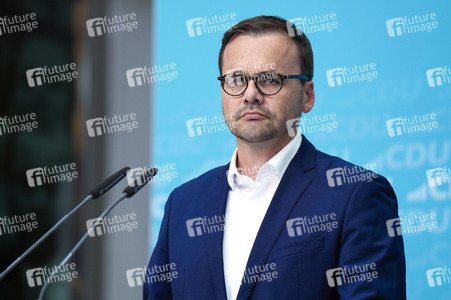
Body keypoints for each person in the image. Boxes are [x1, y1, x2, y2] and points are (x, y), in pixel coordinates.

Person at [143, 15, 406, 300]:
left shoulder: (355, 193)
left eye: (270, 80)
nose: (250, 95)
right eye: (236, 79)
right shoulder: (184, 203)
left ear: (307, 95)